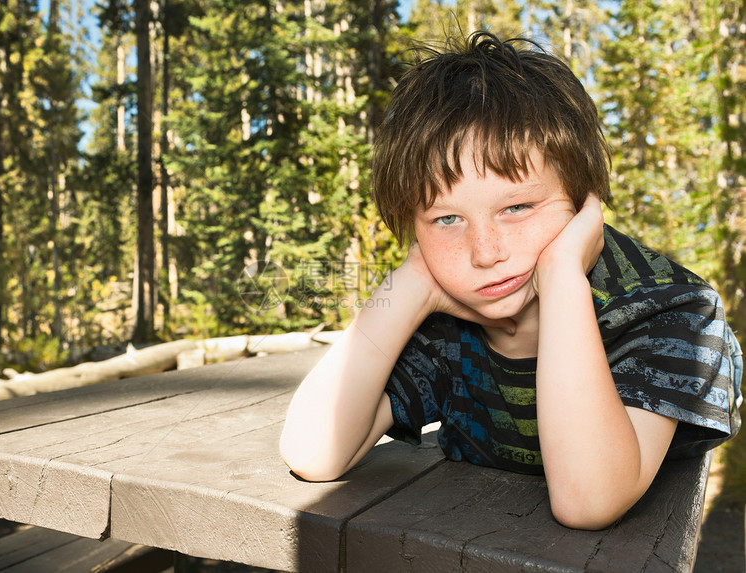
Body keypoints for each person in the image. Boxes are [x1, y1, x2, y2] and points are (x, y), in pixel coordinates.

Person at [279, 31, 743, 530]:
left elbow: (590, 500)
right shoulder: (442, 329)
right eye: (445, 220)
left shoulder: (670, 311)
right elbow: (313, 451)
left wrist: (563, 275)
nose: (485, 253)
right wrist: (409, 285)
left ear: (585, 201)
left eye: (518, 207)